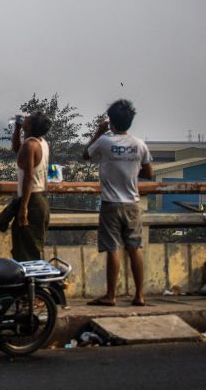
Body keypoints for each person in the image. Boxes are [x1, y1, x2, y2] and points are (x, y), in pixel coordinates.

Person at [84, 99, 153, 306]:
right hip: (132, 204)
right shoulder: (139, 144)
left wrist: (98, 131)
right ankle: (139, 295)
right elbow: (149, 173)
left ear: (111, 122)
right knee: (135, 248)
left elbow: (85, 155)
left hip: (110, 204)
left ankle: (111, 296)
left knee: (112, 249)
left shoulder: (105, 142)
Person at [10, 111, 52, 261]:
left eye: (28, 119)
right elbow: (17, 149)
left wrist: (24, 207)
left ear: (29, 125)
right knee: (29, 247)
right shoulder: (41, 143)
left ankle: (32, 283)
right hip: (39, 200)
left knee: (26, 252)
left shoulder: (30, 145)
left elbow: (29, 177)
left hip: (32, 201)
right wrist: (17, 129)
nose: (26, 118)